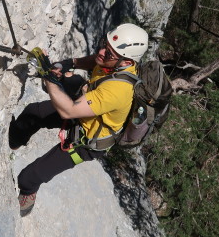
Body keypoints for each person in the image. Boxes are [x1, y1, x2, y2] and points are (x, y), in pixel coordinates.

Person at [9, 23, 149, 216]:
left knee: (29, 177)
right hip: (86, 114)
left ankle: (26, 198)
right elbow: (95, 60)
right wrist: (66, 64)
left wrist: (49, 77)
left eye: (109, 53)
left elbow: (68, 111)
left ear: (125, 63)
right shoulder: (112, 61)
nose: (101, 52)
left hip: (86, 143)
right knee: (34, 112)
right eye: (103, 45)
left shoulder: (118, 91)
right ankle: (14, 142)